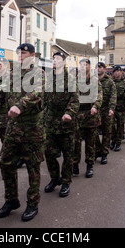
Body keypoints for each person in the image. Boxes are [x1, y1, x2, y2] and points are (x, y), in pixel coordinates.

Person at [0, 43, 45, 222]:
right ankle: (11, 200)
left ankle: (32, 203)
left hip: (32, 128)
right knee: (6, 163)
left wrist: (20, 105)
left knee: (33, 167)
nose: (20, 56)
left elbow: (37, 94)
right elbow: (1, 95)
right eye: (19, 53)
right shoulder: (12, 74)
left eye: (23, 53)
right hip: (13, 128)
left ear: (32, 55)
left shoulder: (38, 74)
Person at [43, 52, 79, 197]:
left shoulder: (70, 79)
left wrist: (69, 113)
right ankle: (54, 178)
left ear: (64, 62)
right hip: (51, 122)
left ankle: (65, 182)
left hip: (66, 123)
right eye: (53, 59)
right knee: (49, 153)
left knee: (68, 155)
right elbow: (45, 99)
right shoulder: (49, 79)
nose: (54, 61)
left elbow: (75, 100)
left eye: (58, 59)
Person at [74, 58, 102, 178]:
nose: (82, 67)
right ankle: (75, 164)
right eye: (80, 65)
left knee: (90, 143)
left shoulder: (94, 80)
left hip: (90, 115)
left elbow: (99, 95)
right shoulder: (75, 80)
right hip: (77, 115)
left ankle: (89, 165)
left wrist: (96, 106)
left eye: (84, 65)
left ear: (89, 67)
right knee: (75, 142)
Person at [97, 62, 116, 164]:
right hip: (95, 111)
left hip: (106, 110)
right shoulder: (92, 81)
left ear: (104, 69)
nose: (98, 69)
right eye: (97, 67)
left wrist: (111, 108)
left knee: (106, 133)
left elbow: (113, 96)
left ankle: (104, 153)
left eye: (100, 67)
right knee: (94, 133)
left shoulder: (110, 82)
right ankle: (97, 150)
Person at [111, 66, 125, 151]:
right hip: (112, 107)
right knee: (111, 125)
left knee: (120, 126)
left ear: (121, 72)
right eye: (115, 71)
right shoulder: (111, 82)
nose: (116, 73)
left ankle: (118, 142)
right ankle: (113, 140)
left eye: (118, 71)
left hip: (121, 106)